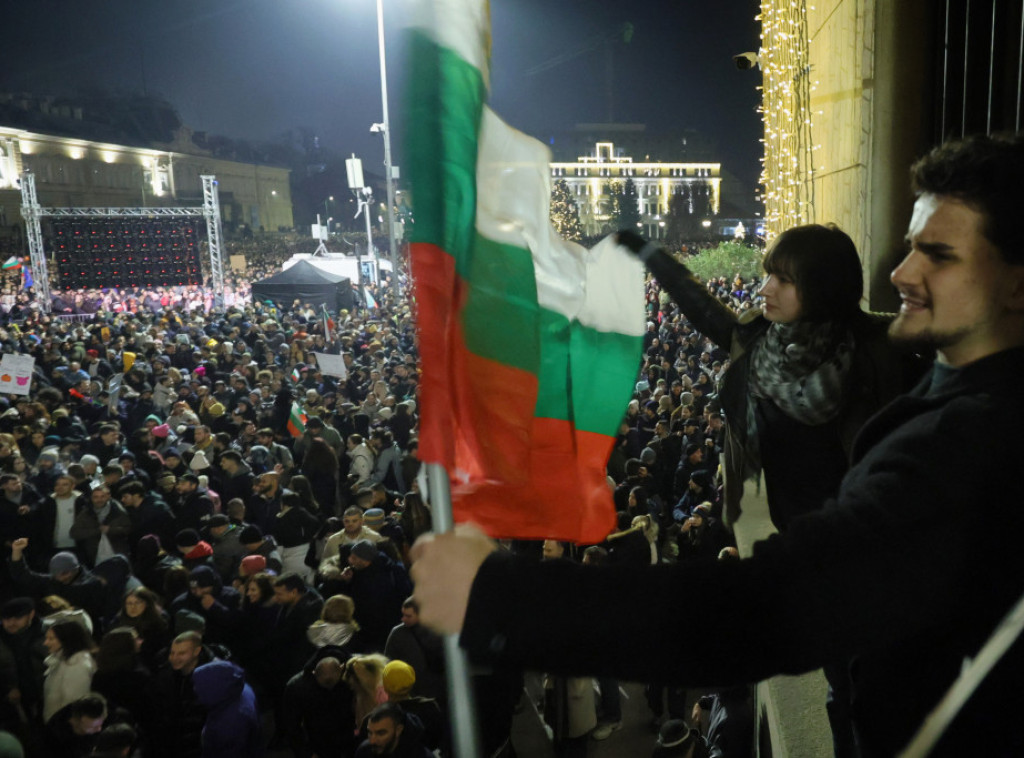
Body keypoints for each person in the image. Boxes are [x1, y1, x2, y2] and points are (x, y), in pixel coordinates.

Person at [409, 135, 1024, 757]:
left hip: (865, 599)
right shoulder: (787, 353)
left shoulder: (958, 438)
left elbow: (764, 610)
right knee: (848, 690)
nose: (901, 273)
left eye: (939, 255)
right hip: (855, 592)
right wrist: (648, 251)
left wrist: (500, 599)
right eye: (910, 247)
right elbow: (708, 314)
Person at [42, 620, 97, 723]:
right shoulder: (61, 661)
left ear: (66, 639)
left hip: (64, 727)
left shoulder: (77, 665)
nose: (45, 643)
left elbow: (74, 702)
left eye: (51, 639)